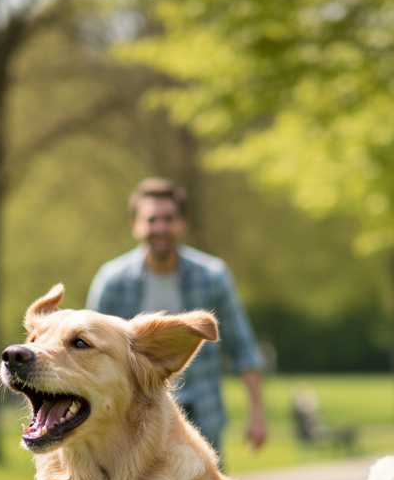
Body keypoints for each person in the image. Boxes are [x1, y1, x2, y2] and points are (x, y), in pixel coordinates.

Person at [85, 178, 267, 464]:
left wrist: (256, 413)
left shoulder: (212, 277)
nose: (160, 228)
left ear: (182, 223)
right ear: (136, 225)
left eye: (168, 219)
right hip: (132, 416)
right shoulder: (112, 282)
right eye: (151, 220)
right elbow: (88, 353)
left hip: (201, 413)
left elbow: (243, 348)